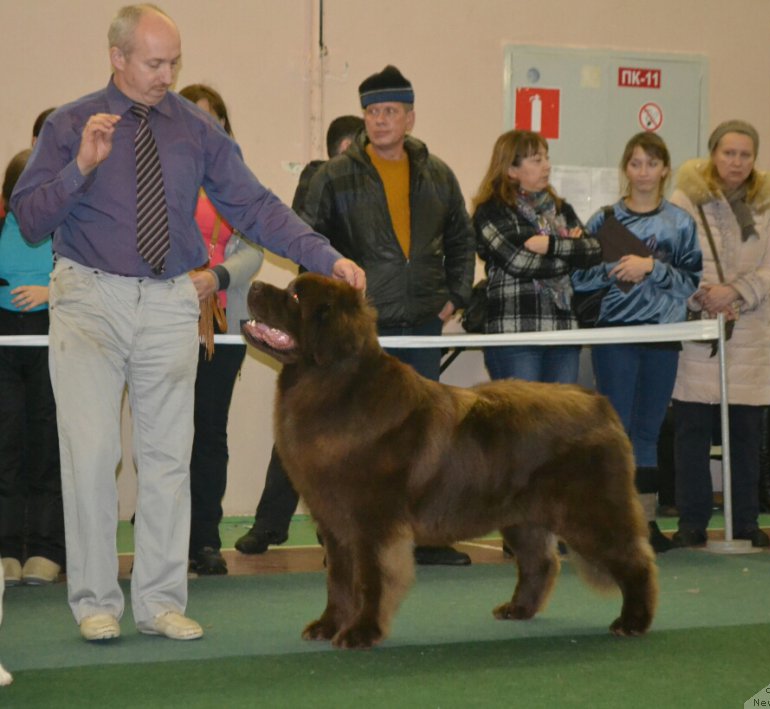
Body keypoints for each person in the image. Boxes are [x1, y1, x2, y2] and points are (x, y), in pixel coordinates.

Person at [10, 4, 364, 643]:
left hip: (171, 299)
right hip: (89, 297)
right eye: (153, 62)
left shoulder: (195, 128)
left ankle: (159, 602)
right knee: (92, 455)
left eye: (173, 61)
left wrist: (326, 255)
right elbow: (30, 218)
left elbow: (253, 204)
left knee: (169, 458)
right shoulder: (69, 124)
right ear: (117, 57)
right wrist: (80, 168)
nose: (166, 74)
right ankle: (94, 600)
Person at [298, 65, 476, 566]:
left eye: (390, 111)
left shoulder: (439, 174)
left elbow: (463, 239)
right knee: (356, 439)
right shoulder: (333, 177)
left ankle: (428, 537)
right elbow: (309, 245)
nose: (380, 121)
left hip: (422, 326)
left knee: (424, 441)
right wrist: (335, 314)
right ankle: (349, 536)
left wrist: (456, 294)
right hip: (361, 334)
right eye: (372, 112)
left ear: (410, 117)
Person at [235, 114, 364, 557]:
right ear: (341, 147)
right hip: (317, 323)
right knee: (298, 433)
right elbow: (299, 234)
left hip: (356, 324)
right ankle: (270, 524)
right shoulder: (319, 181)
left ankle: (346, 535)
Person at [572, 132, 703, 552]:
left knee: (648, 430)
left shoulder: (681, 222)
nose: (643, 172)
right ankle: (613, 522)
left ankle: (644, 522)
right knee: (616, 429)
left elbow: (690, 283)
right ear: (625, 169)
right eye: (635, 163)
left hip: (663, 335)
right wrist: (615, 268)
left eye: (651, 163)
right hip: (616, 335)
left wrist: (651, 268)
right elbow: (579, 278)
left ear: (665, 169)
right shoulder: (605, 219)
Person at [669, 120, 770, 548]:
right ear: (712, 153)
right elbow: (676, 258)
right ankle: (692, 522)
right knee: (692, 434)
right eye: (728, 152)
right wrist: (706, 296)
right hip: (700, 331)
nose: (736, 162)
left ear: (754, 159)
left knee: (745, 436)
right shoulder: (685, 199)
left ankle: (744, 521)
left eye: (745, 154)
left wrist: (736, 291)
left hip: (750, 332)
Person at [172, 84, 265, 576]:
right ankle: (164, 535)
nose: (206, 125)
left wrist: (217, 276)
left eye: (215, 118)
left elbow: (255, 250)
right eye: (195, 116)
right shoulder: (158, 173)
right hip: (164, 320)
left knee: (209, 432)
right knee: (163, 432)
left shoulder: (237, 179)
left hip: (223, 323)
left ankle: (204, 538)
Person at [473, 129, 601, 384]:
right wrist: (568, 249)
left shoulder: (561, 208)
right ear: (511, 169)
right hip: (515, 333)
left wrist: (549, 245)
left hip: (562, 331)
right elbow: (520, 263)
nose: (547, 166)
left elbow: (593, 250)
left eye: (546, 158)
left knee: (562, 419)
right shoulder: (491, 210)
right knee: (520, 421)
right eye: (537, 160)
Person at [0, 149, 65, 587]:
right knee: (7, 442)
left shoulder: (68, 229)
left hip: (50, 335)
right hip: (4, 340)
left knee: (47, 441)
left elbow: (89, 277)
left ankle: (46, 547)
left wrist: (50, 292)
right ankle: (6, 546)